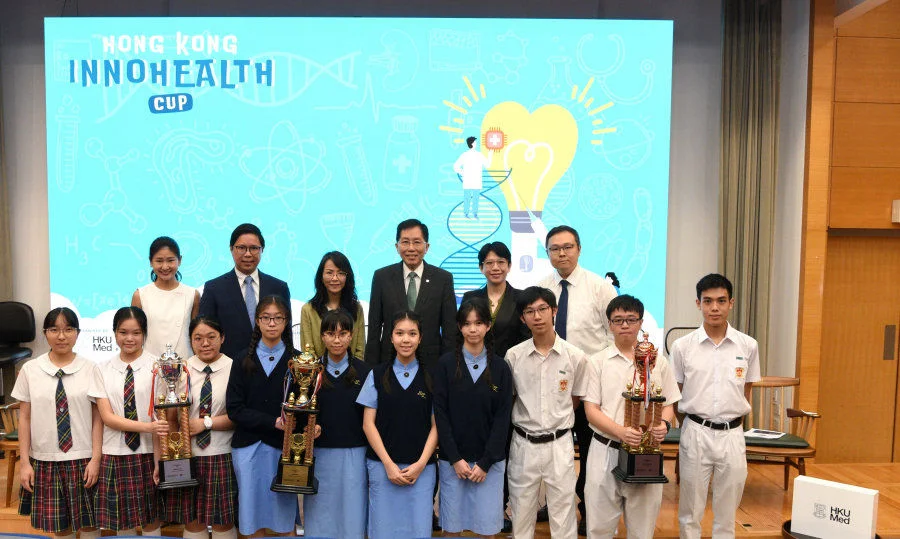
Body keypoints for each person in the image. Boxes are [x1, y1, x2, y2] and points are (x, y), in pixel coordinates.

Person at [538, 225, 618, 533]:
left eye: (567, 247)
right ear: (548, 253)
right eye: (554, 249)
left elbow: (614, 336)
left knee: (589, 450)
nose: (561, 253)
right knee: (552, 451)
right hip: (551, 386)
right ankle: (553, 505)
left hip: (589, 388)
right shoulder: (542, 288)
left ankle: (587, 510)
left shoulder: (600, 288)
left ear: (579, 249)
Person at [582, 295, 681, 539]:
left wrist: (664, 424)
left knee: (642, 530)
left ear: (641, 323)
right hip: (606, 449)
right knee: (598, 529)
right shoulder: (597, 362)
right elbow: (591, 410)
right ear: (609, 324)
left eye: (630, 319)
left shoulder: (658, 362)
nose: (624, 325)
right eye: (618, 320)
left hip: (646, 453)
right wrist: (620, 432)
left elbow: (669, 402)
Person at [671, 274, 761, 539]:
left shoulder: (748, 345)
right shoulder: (682, 347)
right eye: (708, 301)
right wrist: (691, 424)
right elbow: (676, 394)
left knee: (727, 510)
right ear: (698, 303)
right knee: (690, 509)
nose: (714, 308)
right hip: (695, 432)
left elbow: (746, 390)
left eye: (721, 301)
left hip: (733, 434)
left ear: (731, 303)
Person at [505, 286, 588, 539]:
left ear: (554, 311)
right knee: (521, 515)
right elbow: (511, 399)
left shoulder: (575, 356)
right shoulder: (513, 356)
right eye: (530, 311)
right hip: (523, 443)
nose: (537, 316)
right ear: (523, 318)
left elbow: (574, 400)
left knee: (563, 516)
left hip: (559, 443)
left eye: (542, 309)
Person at [14, 307, 102, 539]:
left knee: (90, 524)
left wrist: (95, 459)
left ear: (78, 333)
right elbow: (24, 418)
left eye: (68, 329)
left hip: (82, 459)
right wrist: (25, 463)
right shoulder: (30, 369)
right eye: (54, 330)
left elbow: (98, 418)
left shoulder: (91, 368)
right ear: (45, 333)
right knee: (61, 527)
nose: (61, 336)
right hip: (46, 460)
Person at [433, 298, 513, 537]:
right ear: (459, 327)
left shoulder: (500, 368)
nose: (473, 329)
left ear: (488, 326)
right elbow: (441, 415)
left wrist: (485, 462)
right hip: (453, 462)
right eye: (467, 324)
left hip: (489, 464)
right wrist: (455, 459)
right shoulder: (446, 364)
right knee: (451, 528)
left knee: (487, 529)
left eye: (478, 323)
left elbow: (502, 419)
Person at [357, 311, 439, 539]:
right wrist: (388, 464)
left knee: (418, 530)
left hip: (422, 471)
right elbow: (368, 424)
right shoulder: (376, 374)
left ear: (420, 338)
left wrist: (421, 464)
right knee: (383, 530)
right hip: (382, 468)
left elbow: (437, 426)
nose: (406, 339)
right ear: (391, 337)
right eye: (399, 333)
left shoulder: (432, 377)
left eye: (412, 334)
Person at [225, 295, 300, 536]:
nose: (272, 323)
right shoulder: (241, 359)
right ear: (257, 321)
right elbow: (234, 409)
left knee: (283, 517)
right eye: (266, 317)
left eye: (278, 318)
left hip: (284, 448)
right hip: (248, 447)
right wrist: (272, 422)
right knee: (252, 518)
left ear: (286, 321)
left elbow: (305, 406)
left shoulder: (299, 361)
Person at [90, 306, 167, 535]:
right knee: (121, 521)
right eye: (123, 332)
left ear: (145, 334)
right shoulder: (101, 369)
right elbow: (107, 418)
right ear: (114, 333)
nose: (129, 338)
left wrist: (158, 461)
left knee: (151, 519)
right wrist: (148, 427)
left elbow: (161, 419)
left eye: (136, 333)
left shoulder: (159, 367)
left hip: (147, 453)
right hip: (114, 453)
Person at [161, 316, 238, 539]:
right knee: (193, 522)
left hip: (222, 454)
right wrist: (175, 451)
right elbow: (171, 417)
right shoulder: (180, 369)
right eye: (198, 338)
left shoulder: (235, 368)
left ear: (222, 338)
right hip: (187, 456)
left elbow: (240, 415)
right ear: (191, 341)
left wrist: (205, 423)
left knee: (223, 521)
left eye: (211, 337)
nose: (205, 343)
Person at [303, 309, 371, 539]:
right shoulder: (310, 371)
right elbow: (300, 412)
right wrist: (310, 428)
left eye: (343, 334)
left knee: (352, 512)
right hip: (320, 453)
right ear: (322, 336)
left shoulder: (365, 371)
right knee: (320, 512)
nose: (337, 340)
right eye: (331, 334)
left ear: (351, 336)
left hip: (355, 453)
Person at [366, 218, 457, 368]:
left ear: (427, 247)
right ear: (397, 246)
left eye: (417, 242)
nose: (411, 248)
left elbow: (450, 331)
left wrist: (448, 367)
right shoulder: (382, 277)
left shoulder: (443, 279)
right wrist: (371, 368)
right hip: (389, 362)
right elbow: (374, 328)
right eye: (405, 242)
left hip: (431, 364)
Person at [199, 223, 291, 361]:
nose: (248, 254)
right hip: (229, 365)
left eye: (254, 248)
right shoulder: (214, 288)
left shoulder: (279, 287)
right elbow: (205, 331)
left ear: (262, 250)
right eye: (241, 248)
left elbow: (287, 334)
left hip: (272, 364)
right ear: (231, 249)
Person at [132, 236, 200, 360]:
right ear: (150, 261)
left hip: (185, 364)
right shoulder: (140, 295)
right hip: (150, 366)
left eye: (170, 260)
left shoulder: (192, 294)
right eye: (159, 261)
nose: (165, 266)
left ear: (179, 260)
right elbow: (135, 334)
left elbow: (197, 335)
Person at [462, 242, 530, 358]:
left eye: (501, 262)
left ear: (509, 266)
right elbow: (461, 335)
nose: (495, 268)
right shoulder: (470, 298)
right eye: (489, 263)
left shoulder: (522, 298)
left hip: (512, 364)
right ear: (481, 268)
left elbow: (527, 338)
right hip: (475, 363)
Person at [299, 251, 365, 359]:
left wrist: (351, 369)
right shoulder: (308, 310)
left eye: (341, 273)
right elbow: (308, 351)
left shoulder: (356, 308)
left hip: (352, 369)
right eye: (329, 273)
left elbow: (359, 350)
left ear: (347, 277)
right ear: (321, 276)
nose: (335, 278)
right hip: (318, 369)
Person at [453, 136, 490, 219]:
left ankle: (468, 214)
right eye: (475, 142)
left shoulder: (466, 155)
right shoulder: (477, 155)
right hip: (473, 181)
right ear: (472, 143)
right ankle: (473, 214)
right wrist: (463, 173)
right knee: (474, 198)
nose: (476, 143)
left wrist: (463, 173)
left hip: (471, 181)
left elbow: (456, 166)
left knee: (469, 198)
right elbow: (488, 164)